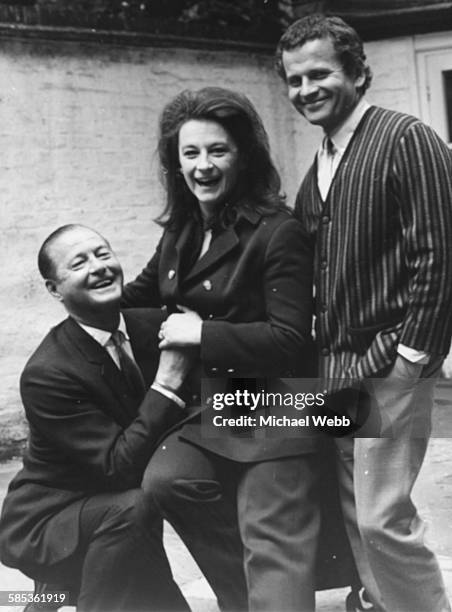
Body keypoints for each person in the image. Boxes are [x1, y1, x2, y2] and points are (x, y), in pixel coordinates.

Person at [276, 14, 452, 612]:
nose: (306, 91)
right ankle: (382, 603)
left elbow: (439, 254)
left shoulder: (406, 139)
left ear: (356, 71)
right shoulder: (320, 163)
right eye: (294, 81)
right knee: (356, 506)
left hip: (392, 360)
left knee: (382, 518)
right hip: (338, 366)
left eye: (319, 74)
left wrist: (412, 356)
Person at [121, 87, 321, 612]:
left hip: (279, 408)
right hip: (211, 408)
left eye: (218, 151)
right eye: (190, 154)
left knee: (270, 538)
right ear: (175, 163)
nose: (202, 166)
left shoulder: (278, 233)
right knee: (168, 481)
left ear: (245, 156)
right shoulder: (184, 230)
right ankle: (246, 602)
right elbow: (135, 303)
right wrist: (82, 283)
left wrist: (200, 333)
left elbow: (287, 340)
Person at [0, 224, 193, 612]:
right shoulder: (48, 372)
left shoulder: (153, 327)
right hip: (51, 518)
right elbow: (116, 467)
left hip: (113, 511)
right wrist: (167, 383)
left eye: (103, 254)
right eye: (80, 262)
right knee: (133, 511)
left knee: (140, 565)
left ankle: (50, 597)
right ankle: (55, 591)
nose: (99, 267)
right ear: (55, 290)